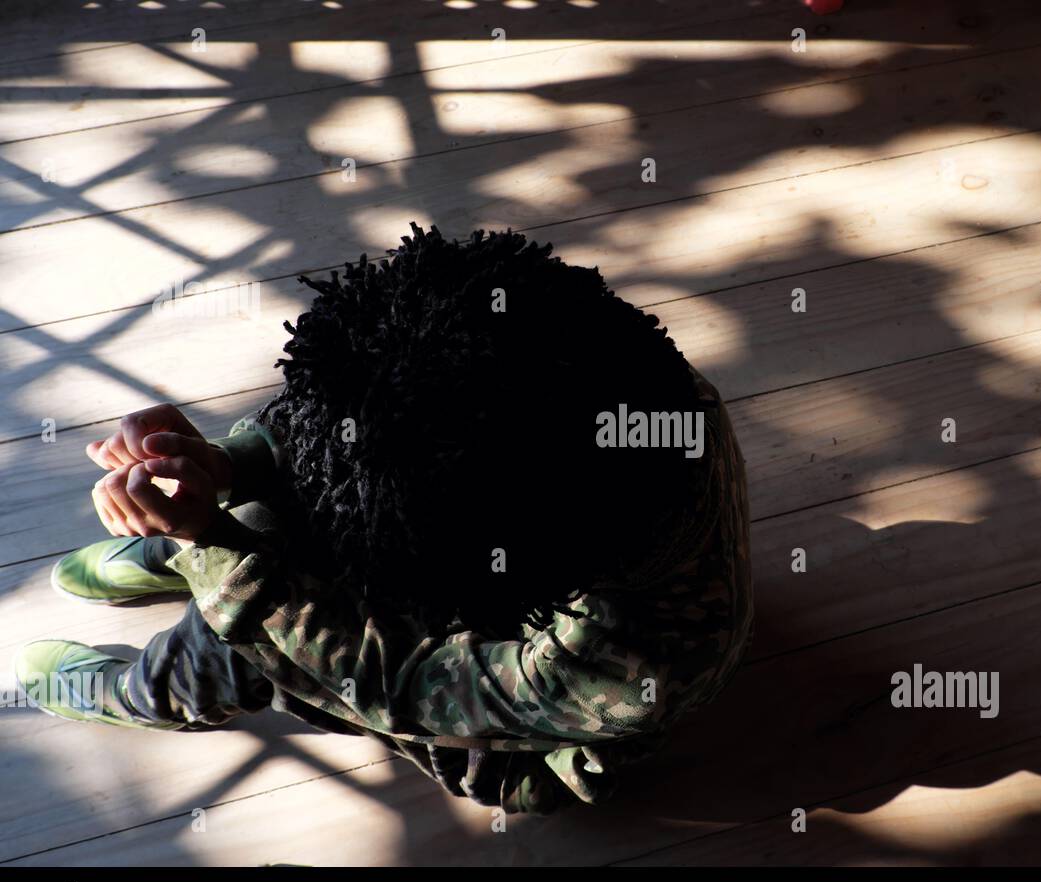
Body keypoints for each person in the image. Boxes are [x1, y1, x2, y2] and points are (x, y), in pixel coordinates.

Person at [16, 225, 754, 814]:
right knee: (340, 471)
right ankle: (192, 547)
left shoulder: (629, 665)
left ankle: (155, 690)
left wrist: (217, 551)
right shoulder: (644, 390)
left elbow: (392, 682)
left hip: (522, 736)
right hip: (518, 541)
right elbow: (366, 410)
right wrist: (226, 464)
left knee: (252, 628)